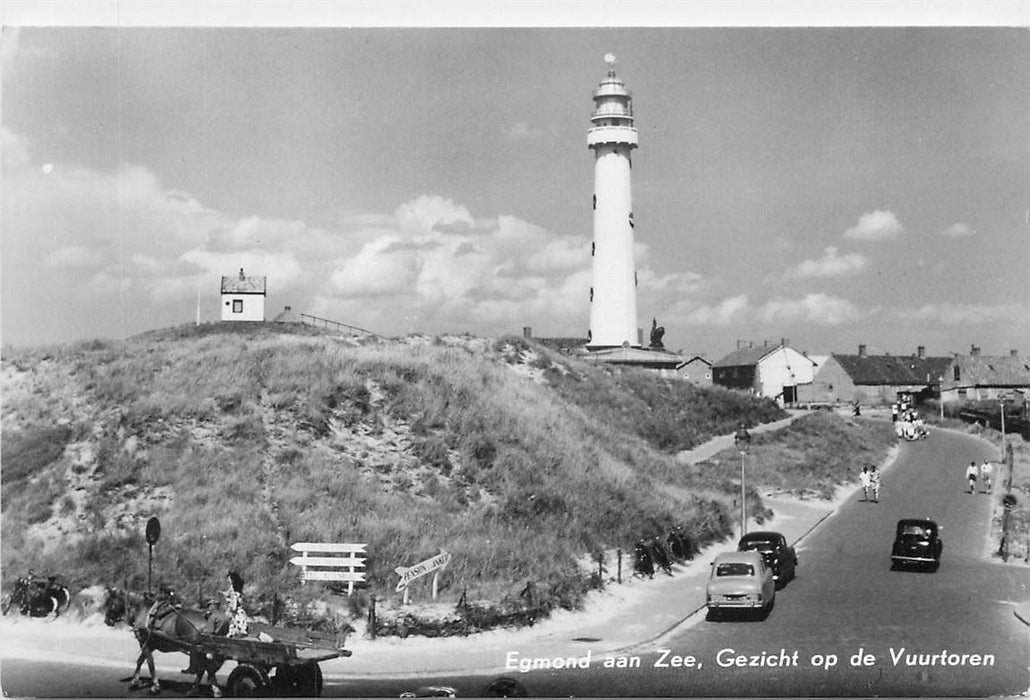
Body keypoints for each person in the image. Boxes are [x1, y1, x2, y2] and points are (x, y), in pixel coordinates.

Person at [223, 571, 248, 637]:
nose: (227, 580)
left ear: (233, 580)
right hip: (241, 615)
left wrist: (229, 604)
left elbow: (234, 607)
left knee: (233, 634)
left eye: (229, 579)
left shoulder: (234, 593)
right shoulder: (236, 590)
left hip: (237, 617)